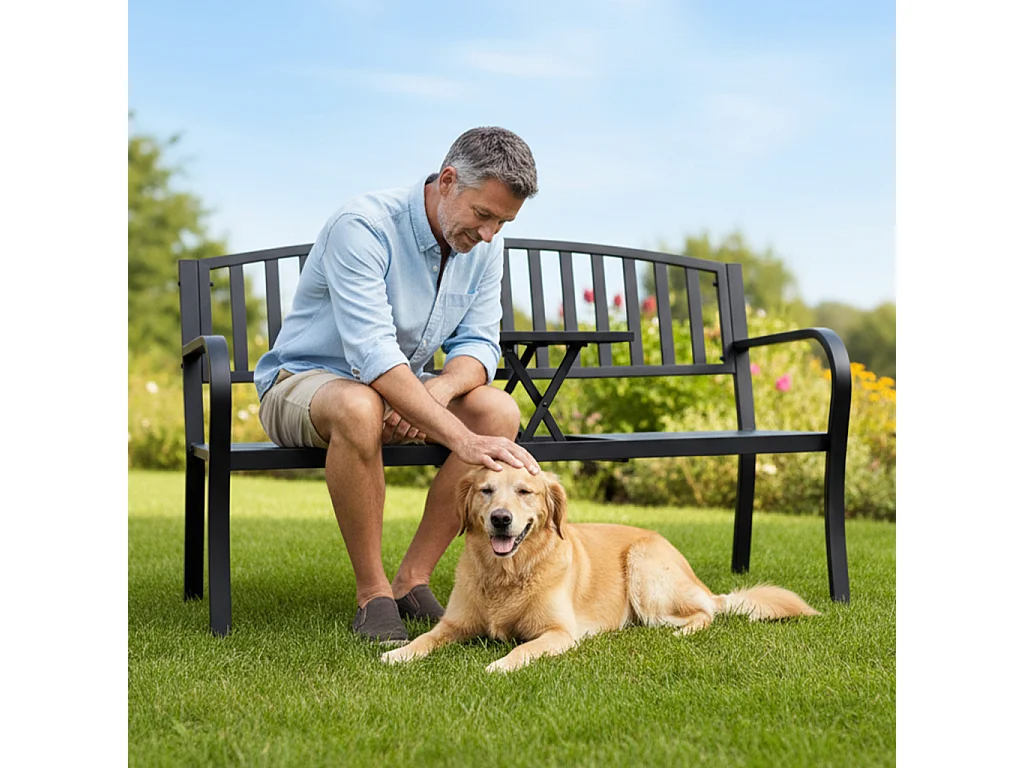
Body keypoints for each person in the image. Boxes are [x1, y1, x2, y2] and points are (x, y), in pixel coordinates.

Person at [253, 126, 541, 645]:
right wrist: (459, 437)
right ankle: (373, 593)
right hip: (302, 384)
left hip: (395, 386)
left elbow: (480, 345)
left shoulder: (482, 244)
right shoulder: (362, 225)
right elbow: (373, 357)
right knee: (362, 405)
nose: (491, 234)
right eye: (484, 215)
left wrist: (438, 392)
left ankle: (412, 580)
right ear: (448, 180)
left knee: (498, 412)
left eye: (503, 221)